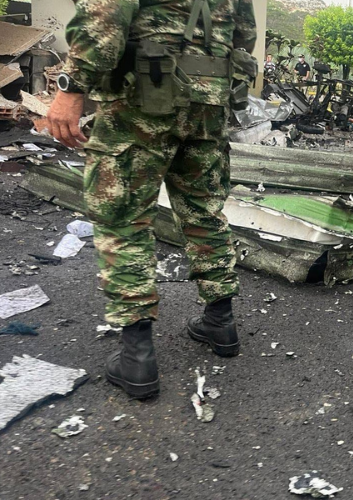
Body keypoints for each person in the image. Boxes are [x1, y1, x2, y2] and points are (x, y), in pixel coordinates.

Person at [43, 0, 257, 399]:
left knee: (123, 217)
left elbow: (106, 14)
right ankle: (221, 322)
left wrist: (72, 85)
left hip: (141, 98)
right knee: (204, 213)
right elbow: (245, 34)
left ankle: (137, 357)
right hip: (208, 101)